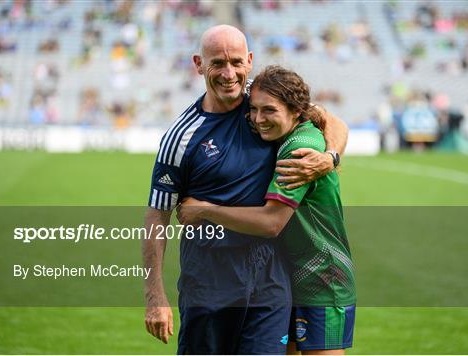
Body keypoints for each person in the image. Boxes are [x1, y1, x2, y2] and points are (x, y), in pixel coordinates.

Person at [143, 25, 349, 354]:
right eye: (218, 64)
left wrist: (329, 157)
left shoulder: (266, 100)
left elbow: (329, 121)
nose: (229, 74)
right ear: (198, 64)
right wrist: (155, 295)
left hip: (269, 281)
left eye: (237, 62)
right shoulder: (179, 138)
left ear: (250, 61)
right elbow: (157, 214)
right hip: (208, 283)